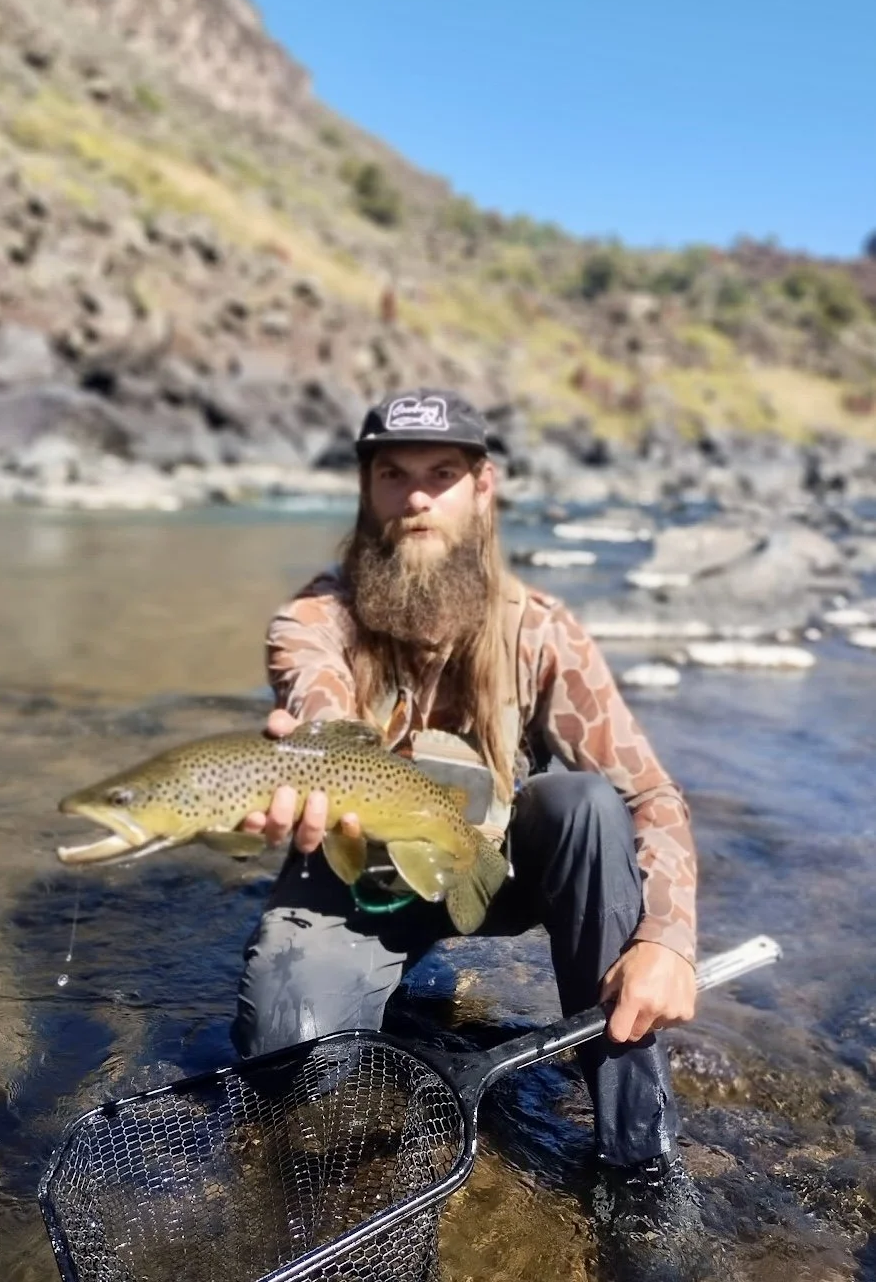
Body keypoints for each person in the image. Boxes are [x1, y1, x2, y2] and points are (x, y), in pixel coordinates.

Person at [234, 388, 707, 1280]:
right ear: (367, 491)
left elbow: (654, 795)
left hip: (488, 873)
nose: (416, 498)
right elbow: (319, 706)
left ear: (481, 487)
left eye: (440, 476)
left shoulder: (543, 632)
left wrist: (668, 939)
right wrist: (307, 765)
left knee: (584, 804)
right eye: (394, 475)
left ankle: (636, 1156)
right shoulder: (312, 621)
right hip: (354, 877)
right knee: (283, 1058)